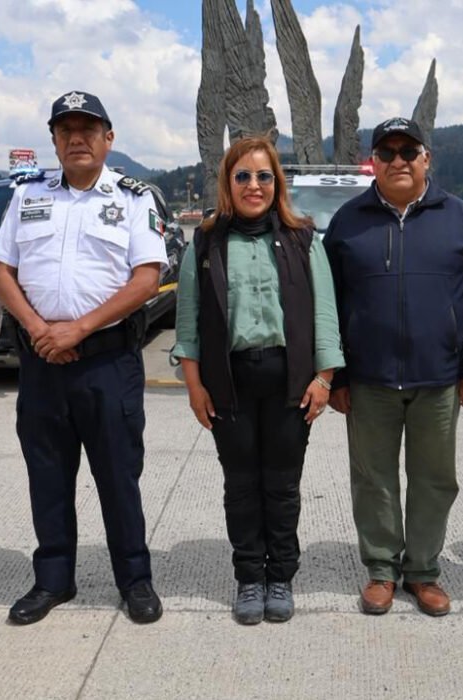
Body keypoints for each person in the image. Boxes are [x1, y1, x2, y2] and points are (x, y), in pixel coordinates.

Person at [0, 91, 168, 625]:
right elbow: (2, 270)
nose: (76, 138)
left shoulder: (134, 197)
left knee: (118, 477)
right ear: (53, 140)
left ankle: (135, 580)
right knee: (47, 475)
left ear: (108, 139)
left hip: (106, 364)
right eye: (65, 129)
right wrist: (39, 328)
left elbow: (147, 278)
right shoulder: (28, 195)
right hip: (43, 363)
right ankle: (52, 581)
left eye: (88, 129)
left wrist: (80, 328)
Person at [324, 117, 463, 617]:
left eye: (408, 151)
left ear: (427, 159)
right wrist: (335, 374)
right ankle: (381, 569)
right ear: (372, 162)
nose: (397, 160)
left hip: (439, 377)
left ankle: (422, 571)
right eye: (386, 152)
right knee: (373, 478)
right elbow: (327, 304)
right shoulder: (348, 221)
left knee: (435, 479)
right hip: (370, 377)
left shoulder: (460, 217)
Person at [171, 137, 344, 625]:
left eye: (263, 176)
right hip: (229, 380)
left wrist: (325, 378)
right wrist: (194, 385)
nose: (253, 185)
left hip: (290, 380)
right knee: (242, 485)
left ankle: (281, 577)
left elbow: (325, 316)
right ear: (228, 182)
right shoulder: (205, 242)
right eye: (242, 175)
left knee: (283, 486)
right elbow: (188, 322)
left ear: (277, 183)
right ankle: (250, 576)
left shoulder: (303, 239)